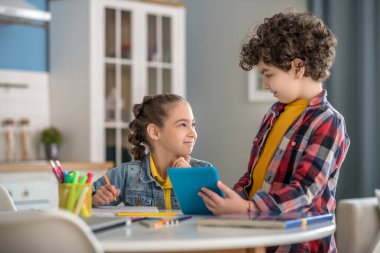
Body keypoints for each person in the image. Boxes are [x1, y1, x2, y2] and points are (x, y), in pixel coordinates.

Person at [198, 11, 350, 252]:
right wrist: (233, 199)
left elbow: (304, 191)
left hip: (299, 245)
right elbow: (253, 176)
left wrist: (249, 208)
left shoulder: (329, 122)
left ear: (298, 67)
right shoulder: (274, 113)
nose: (265, 84)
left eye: (269, 75)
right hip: (261, 237)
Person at [93, 94, 212, 210]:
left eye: (193, 124)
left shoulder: (204, 171)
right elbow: (81, 199)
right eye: (182, 124)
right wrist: (93, 198)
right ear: (154, 132)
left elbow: (214, 218)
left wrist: (190, 181)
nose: (193, 133)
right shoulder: (126, 174)